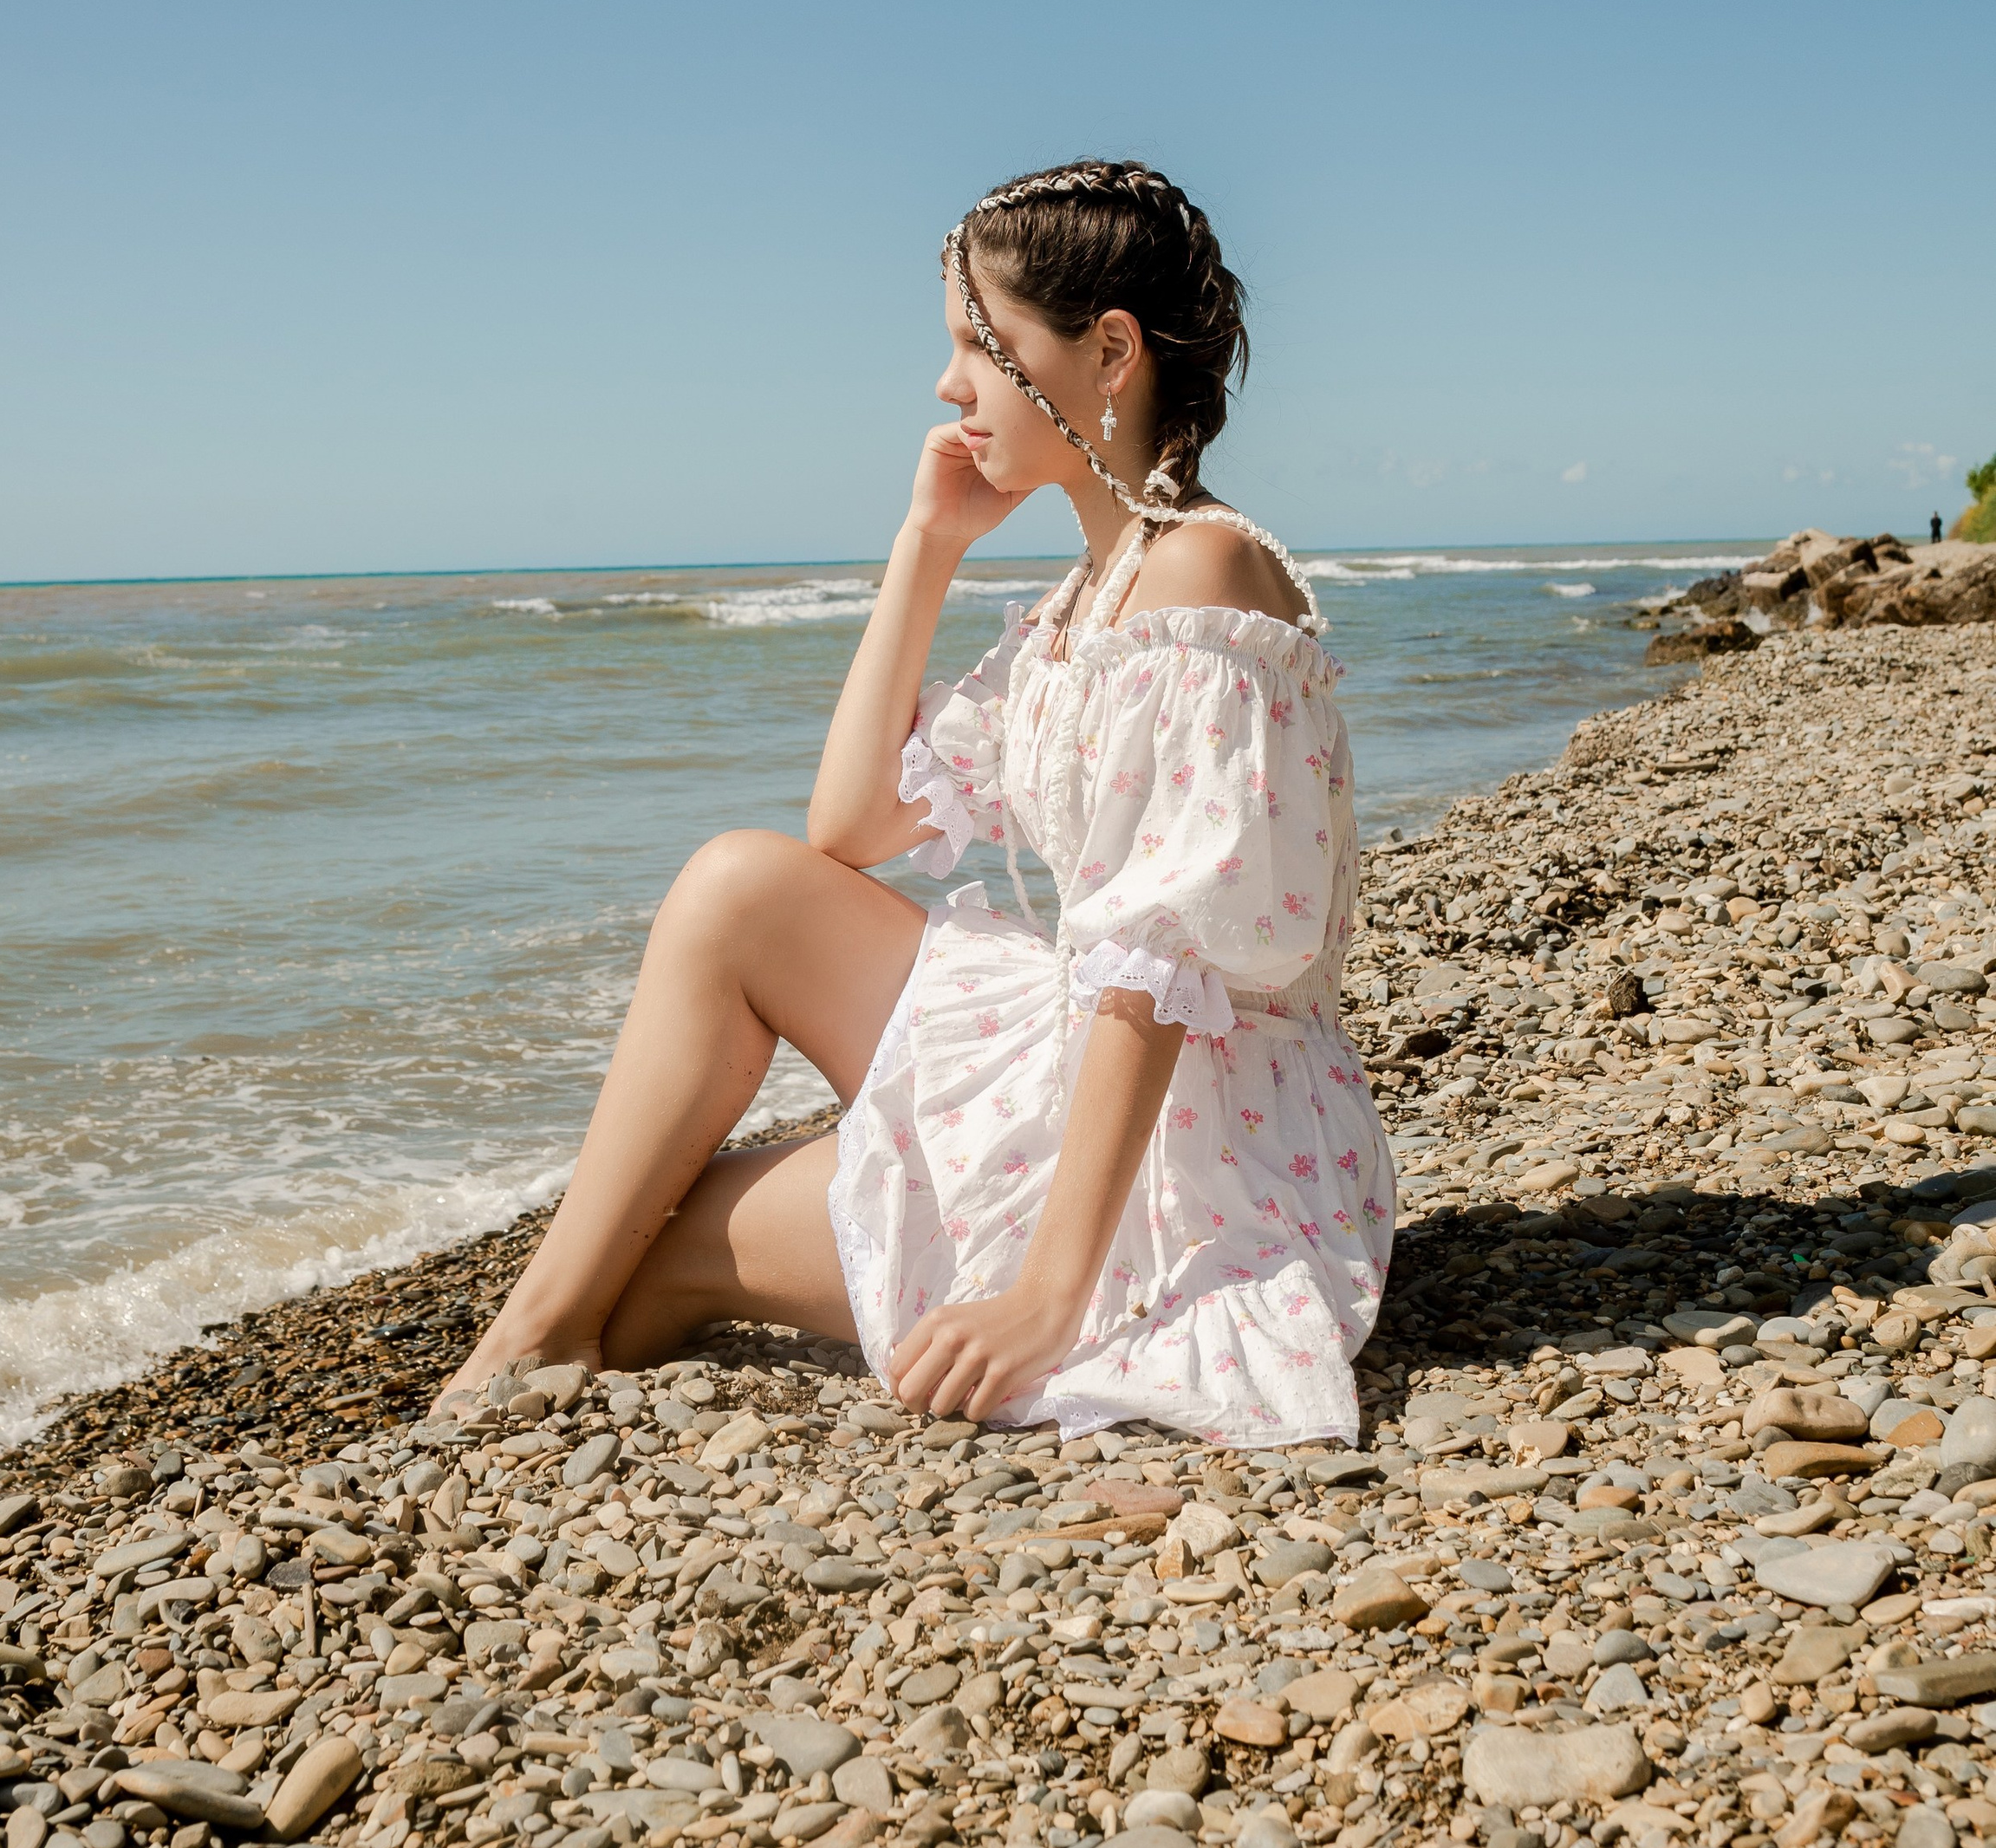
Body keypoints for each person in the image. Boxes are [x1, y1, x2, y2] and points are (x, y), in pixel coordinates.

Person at [439, 159, 1393, 1444]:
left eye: (977, 346)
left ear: (1108, 352)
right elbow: (847, 832)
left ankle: (525, 1379)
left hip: (1200, 1150)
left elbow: (1153, 960)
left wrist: (1048, 1299)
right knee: (738, 882)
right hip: (1098, 1059)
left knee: (670, 1247)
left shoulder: (1197, 573)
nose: (949, 388)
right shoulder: (1094, 597)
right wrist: (927, 546)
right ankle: (533, 1345)